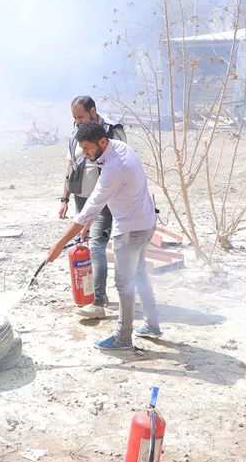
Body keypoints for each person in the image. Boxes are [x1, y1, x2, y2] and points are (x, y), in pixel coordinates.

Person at [46, 121, 161, 351]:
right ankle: (152, 324)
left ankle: (123, 337)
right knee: (138, 275)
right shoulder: (118, 147)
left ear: (101, 141)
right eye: (82, 149)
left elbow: (92, 205)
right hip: (145, 221)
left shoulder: (114, 167)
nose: (85, 153)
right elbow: (102, 201)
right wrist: (87, 222)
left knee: (124, 283)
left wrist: (59, 245)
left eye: (88, 148)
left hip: (130, 230)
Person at [59, 96, 127, 319]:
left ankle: (97, 302)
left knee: (97, 245)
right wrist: (65, 198)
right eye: (74, 118)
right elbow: (71, 166)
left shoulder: (111, 131)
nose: (77, 122)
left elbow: (123, 163)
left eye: (81, 116)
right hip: (82, 199)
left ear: (93, 111)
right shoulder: (76, 135)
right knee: (86, 245)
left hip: (105, 200)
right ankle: (93, 295)